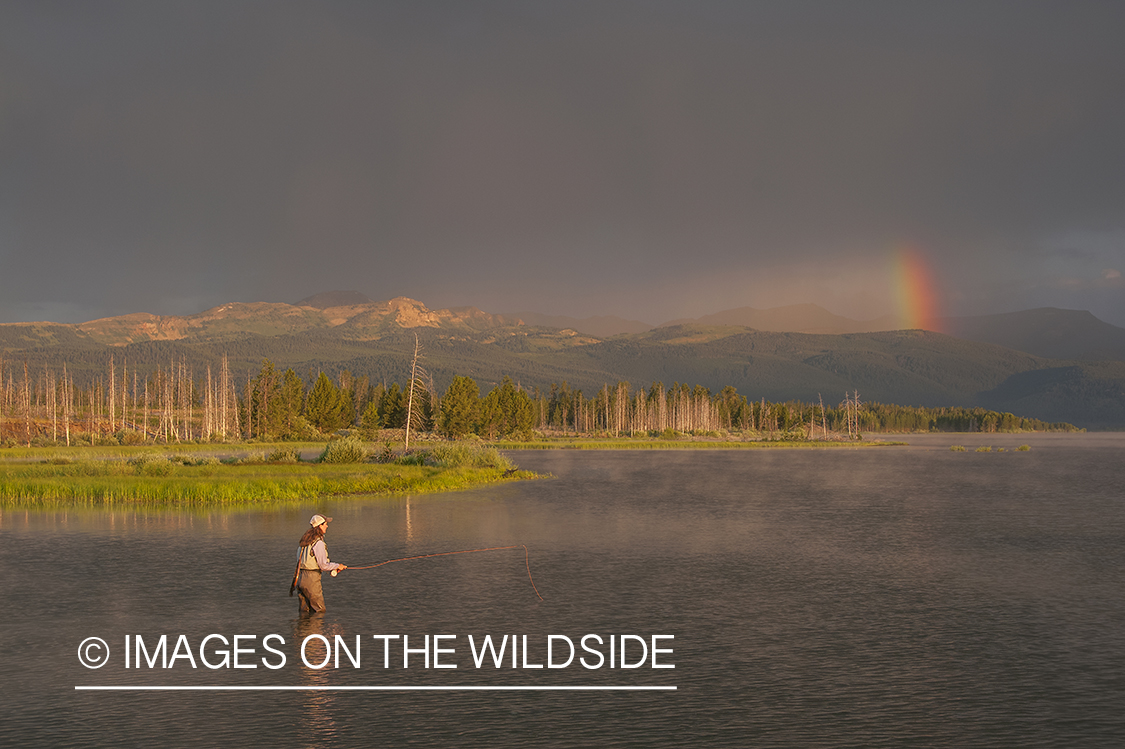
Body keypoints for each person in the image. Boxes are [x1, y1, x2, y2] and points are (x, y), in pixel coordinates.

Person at [291, 514, 347, 614]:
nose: (327, 526)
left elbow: (306, 562)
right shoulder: (318, 543)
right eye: (325, 524)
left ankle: (304, 630)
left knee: (304, 612)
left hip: (300, 579)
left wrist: (331, 570)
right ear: (320, 526)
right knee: (319, 611)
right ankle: (317, 629)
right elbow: (323, 565)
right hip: (311, 580)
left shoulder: (304, 542)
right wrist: (338, 566)